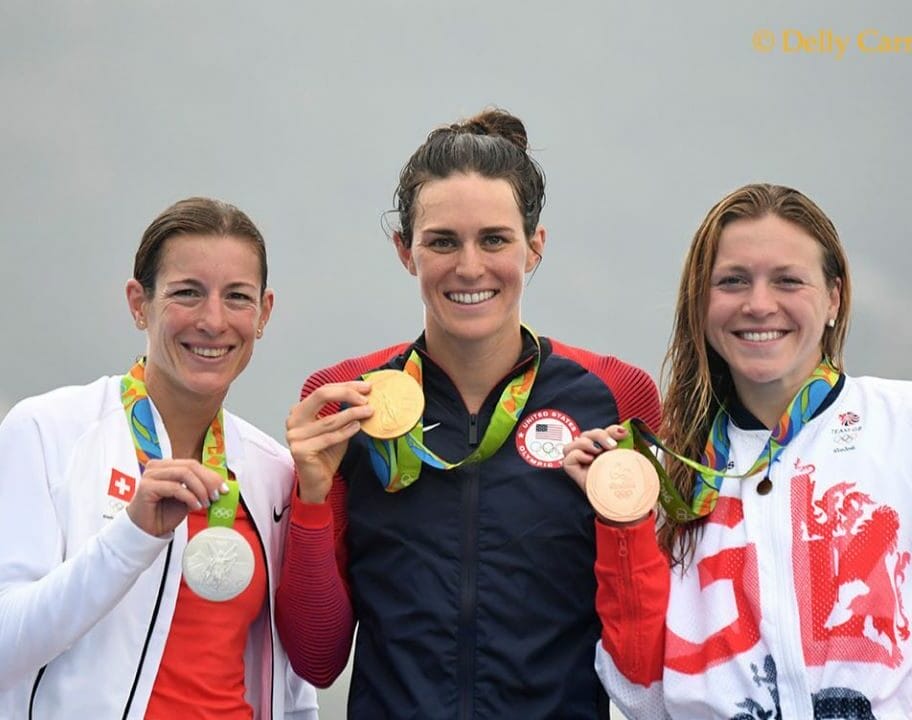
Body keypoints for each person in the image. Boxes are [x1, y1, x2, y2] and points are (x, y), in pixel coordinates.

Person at [274, 108, 661, 719]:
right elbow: (316, 658)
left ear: (535, 246)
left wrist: (621, 524)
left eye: (495, 239)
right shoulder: (347, 398)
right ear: (405, 251)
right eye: (442, 241)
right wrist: (312, 499)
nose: (470, 267)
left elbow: (644, 658)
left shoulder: (615, 396)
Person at [563, 183, 912, 719]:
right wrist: (621, 517)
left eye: (788, 280)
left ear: (834, 297)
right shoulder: (666, 475)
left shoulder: (900, 425)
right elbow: (640, 696)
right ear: (701, 304)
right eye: (732, 281)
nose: (758, 304)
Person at [0, 197, 319, 719]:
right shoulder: (46, 431)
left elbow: (292, 691)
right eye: (187, 294)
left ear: (263, 314)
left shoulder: (273, 472)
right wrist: (132, 535)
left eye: (237, 297)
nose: (213, 321)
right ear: (138, 303)